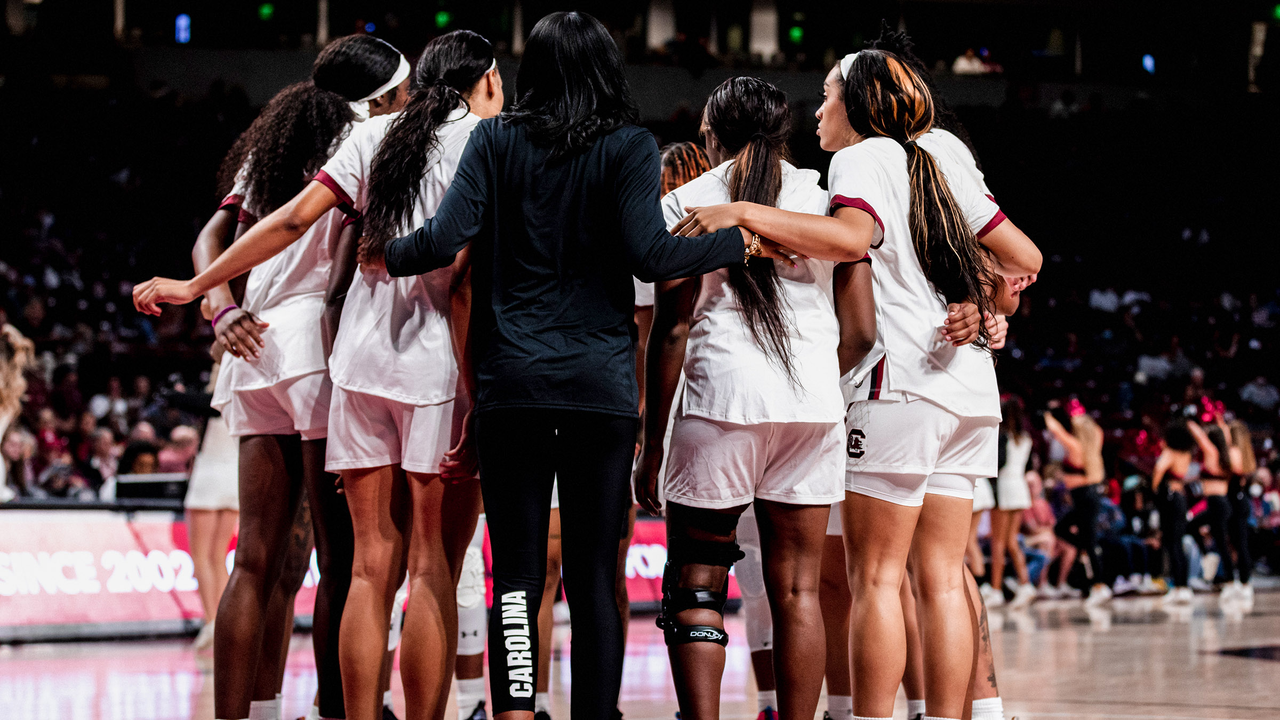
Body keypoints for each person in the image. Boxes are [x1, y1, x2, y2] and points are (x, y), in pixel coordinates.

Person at [374, 12, 763, 719]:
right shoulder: (629, 146)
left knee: (516, 577)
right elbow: (652, 256)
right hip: (599, 389)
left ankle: (516, 712)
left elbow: (447, 236)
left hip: (510, 387)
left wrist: (388, 253)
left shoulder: (494, 139)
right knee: (591, 577)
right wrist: (737, 243)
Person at [671, 48, 1040, 720]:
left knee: (870, 579)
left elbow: (849, 240)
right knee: (945, 580)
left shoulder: (860, 160)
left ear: (861, 103)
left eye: (829, 94)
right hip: (968, 388)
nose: (818, 109)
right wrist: (983, 305)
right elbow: (1022, 263)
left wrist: (743, 215)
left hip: (898, 384)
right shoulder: (943, 152)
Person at [132, 35, 412, 720]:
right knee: (343, 561)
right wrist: (207, 292)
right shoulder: (371, 140)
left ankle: (245, 713)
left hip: (254, 346)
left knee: (255, 558)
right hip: (315, 342)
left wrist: (221, 305)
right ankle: (336, 711)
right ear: (380, 97)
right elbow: (295, 230)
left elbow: (211, 235)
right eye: (402, 92)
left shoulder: (276, 143)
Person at [635, 76, 845, 720]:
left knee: (697, 579)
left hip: (721, 400)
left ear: (710, 134)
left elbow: (671, 328)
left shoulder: (687, 200)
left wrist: (652, 447)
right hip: (811, 403)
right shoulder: (820, 195)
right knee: (797, 590)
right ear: (783, 132)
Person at [185, 350, 241, 651]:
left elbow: (205, 406)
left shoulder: (220, 384)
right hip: (233, 473)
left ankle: (211, 622)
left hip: (210, 473)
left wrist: (178, 395)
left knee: (202, 558)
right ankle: (221, 621)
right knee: (218, 557)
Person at [984, 395, 1037, 609]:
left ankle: (996, 590)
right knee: (1012, 541)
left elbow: (999, 463)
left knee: (998, 542)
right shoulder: (1026, 438)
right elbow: (1028, 466)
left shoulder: (1002, 435)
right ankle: (1025, 583)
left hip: (1004, 487)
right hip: (1020, 488)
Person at [1151, 420, 1196, 604]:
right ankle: (1182, 585)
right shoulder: (1186, 454)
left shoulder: (1169, 453)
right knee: (1177, 542)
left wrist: (1154, 488)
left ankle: (1179, 586)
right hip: (1180, 498)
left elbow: (1159, 468)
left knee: (1172, 543)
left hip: (1169, 498)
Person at [1224, 420, 1257, 601]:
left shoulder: (1235, 454)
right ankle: (1243, 581)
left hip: (1236, 501)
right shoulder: (1245, 453)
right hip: (1240, 500)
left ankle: (1244, 582)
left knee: (1240, 543)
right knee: (1238, 542)